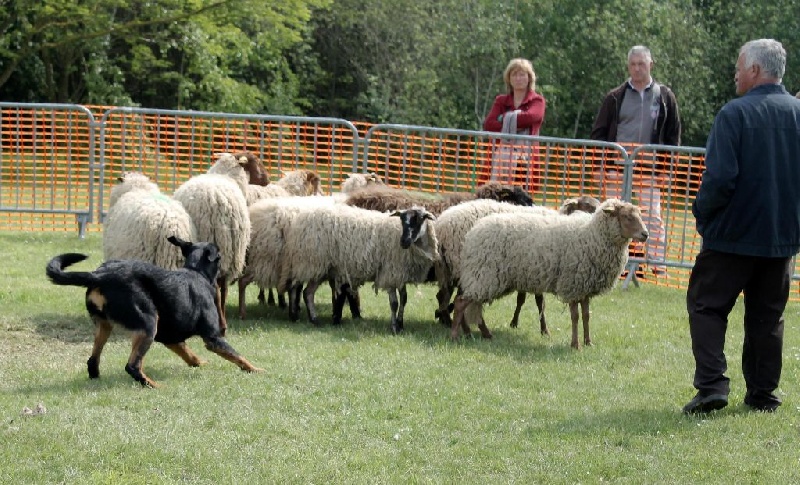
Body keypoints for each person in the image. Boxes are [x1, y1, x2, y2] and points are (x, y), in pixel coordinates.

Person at [682, 39, 800, 414]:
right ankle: (764, 394)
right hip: (780, 238)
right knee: (768, 317)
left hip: (731, 236)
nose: (734, 72)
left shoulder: (734, 114)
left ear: (754, 70)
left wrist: (701, 212)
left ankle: (713, 386)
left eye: (738, 65)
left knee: (706, 307)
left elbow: (719, 179)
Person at [590, 46, 681, 276]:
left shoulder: (665, 97)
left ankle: (658, 265)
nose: (637, 68)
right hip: (617, 168)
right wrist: (599, 166)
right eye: (633, 64)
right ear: (628, 66)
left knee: (652, 217)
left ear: (651, 64)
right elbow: (599, 133)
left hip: (650, 170)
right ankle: (611, 263)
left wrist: (668, 169)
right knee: (612, 218)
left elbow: (673, 136)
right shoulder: (615, 97)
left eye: (642, 63)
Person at [481, 58, 546, 190]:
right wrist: (515, 120)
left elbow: (532, 117)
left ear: (529, 78)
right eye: (514, 74)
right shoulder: (501, 101)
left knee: (522, 198)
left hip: (525, 159)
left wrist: (503, 118)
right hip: (499, 158)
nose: (518, 78)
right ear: (509, 78)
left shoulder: (537, 101)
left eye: (522, 74)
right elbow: (489, 124)